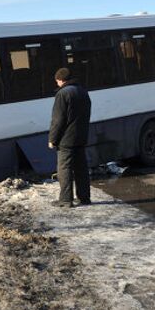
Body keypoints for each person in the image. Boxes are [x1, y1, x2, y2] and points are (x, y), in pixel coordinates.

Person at [48, 67, 92, 207]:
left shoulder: (62, 94)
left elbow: (58, 120)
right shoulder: (83, 92)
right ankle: (84, 198)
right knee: (81, 169)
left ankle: (66, 200)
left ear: (60, 80)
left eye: (57, 81)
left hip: (66, 139)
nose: (57, 84)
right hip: (81, 136)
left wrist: (52, 139)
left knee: (64, 169)